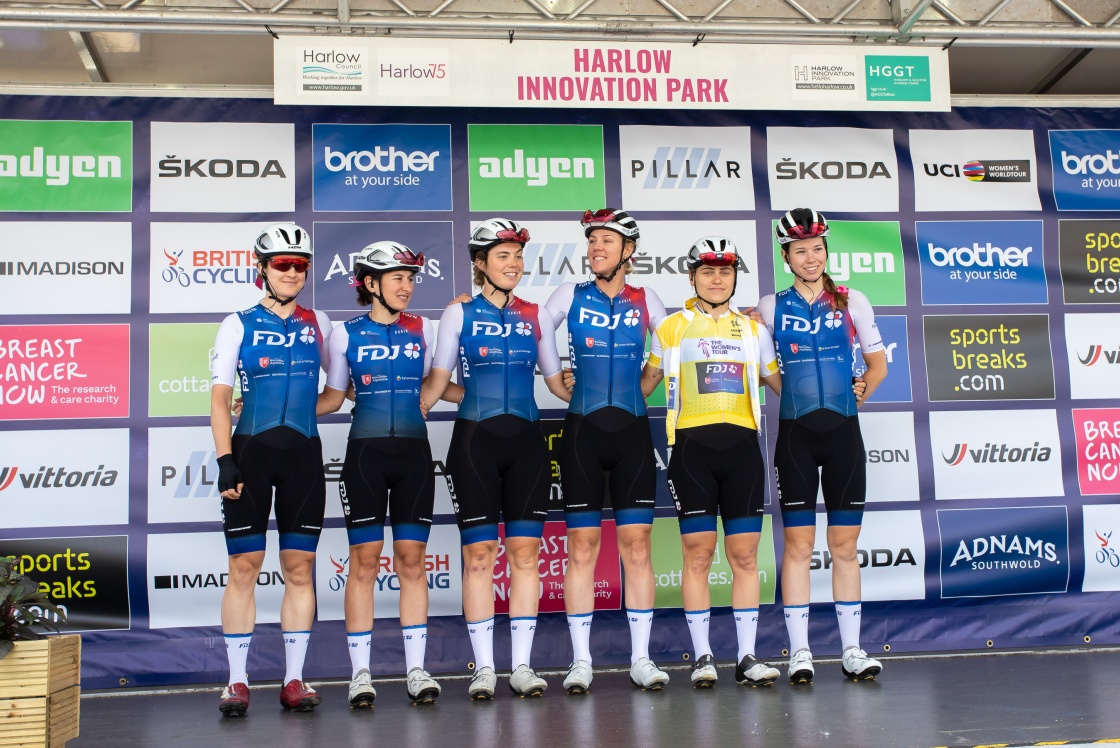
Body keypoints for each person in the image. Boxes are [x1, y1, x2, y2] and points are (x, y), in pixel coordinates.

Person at [419, 219, 571, 699]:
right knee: (479, 554)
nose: (513, 264)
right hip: (475, 441)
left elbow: (556, 384)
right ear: (480, 263)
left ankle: (521, 666)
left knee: (525, 554)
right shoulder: (457, 313)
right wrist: (409, 406)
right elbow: (438, 381)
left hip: (527, 442)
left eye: (518, 256)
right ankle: (484, 668)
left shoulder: (536, 314)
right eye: (503, 256)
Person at [317, 241, 462, 707]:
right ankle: (360, 674)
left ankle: (415, 670)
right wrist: (264, 406)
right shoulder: (344, 334)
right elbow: (333, 397)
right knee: (363, 562)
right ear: (370, 283)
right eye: (397, 278)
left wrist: (484, 397)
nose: (407, 286)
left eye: (410, 278)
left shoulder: (426, 327)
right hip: (365, 456)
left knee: (412, 561)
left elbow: (439, 382)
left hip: (415, 456)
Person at [640, 236, 784, 688]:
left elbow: (784, 384)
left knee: (744, 555)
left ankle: (746, 656)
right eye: (707, 271)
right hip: (691, 451)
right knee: (698, 554)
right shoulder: (670, 328)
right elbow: (642, 386)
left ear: (735, 278)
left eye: (725, 271)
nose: (717, 279)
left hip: (743, 449)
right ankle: (703, 656)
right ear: (692, 278)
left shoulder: (754, 330)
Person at [542, 209, 670, 693]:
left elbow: (674, 343)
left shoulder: (646, 297)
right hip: (583, 432)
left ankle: (641, 658)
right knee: (582, 546)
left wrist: (645, 385)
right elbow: (533, 330)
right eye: (592, 240)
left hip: (632, 430)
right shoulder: (569, 294)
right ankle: (581, 661)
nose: (596, 247)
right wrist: (556, 381)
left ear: (628, 250)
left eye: (607, 240)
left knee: (636, 546)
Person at [758, 208, 888, 683]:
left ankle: (852, 649)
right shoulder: (769, 307)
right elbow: (765, 369)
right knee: (798, 545)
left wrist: (853, 397)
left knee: (845, 545)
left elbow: (877, 366)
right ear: (786, 257)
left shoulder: (853, 300)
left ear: (826, 251)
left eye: (817, 249)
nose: (810, 258)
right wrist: (797, 397)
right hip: (795, 435)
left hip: (843, 435)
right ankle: (800, 652)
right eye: (800, 251)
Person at [211, 223, 332, 715]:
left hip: (303, 455)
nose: (292, 272)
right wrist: (225, 460)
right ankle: (236, 681)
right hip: (251, 455)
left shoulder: (321, 323)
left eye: (300, 265)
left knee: (299, 567)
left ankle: (294, 679)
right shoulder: (236, 323)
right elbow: (220, 398)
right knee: (244, 566)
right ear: (261, 269)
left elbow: (337, 393)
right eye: (282, 264)